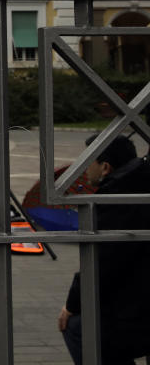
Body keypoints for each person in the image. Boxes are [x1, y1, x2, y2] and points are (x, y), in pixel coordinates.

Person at [58, 135, 150, 365]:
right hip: (137, 293)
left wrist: (71, 305)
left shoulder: (117, 196)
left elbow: (103, 262)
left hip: (138, 310)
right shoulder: (137, 182)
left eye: (88, 161)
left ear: (105, 167)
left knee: (77, 327)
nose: (84, 168)